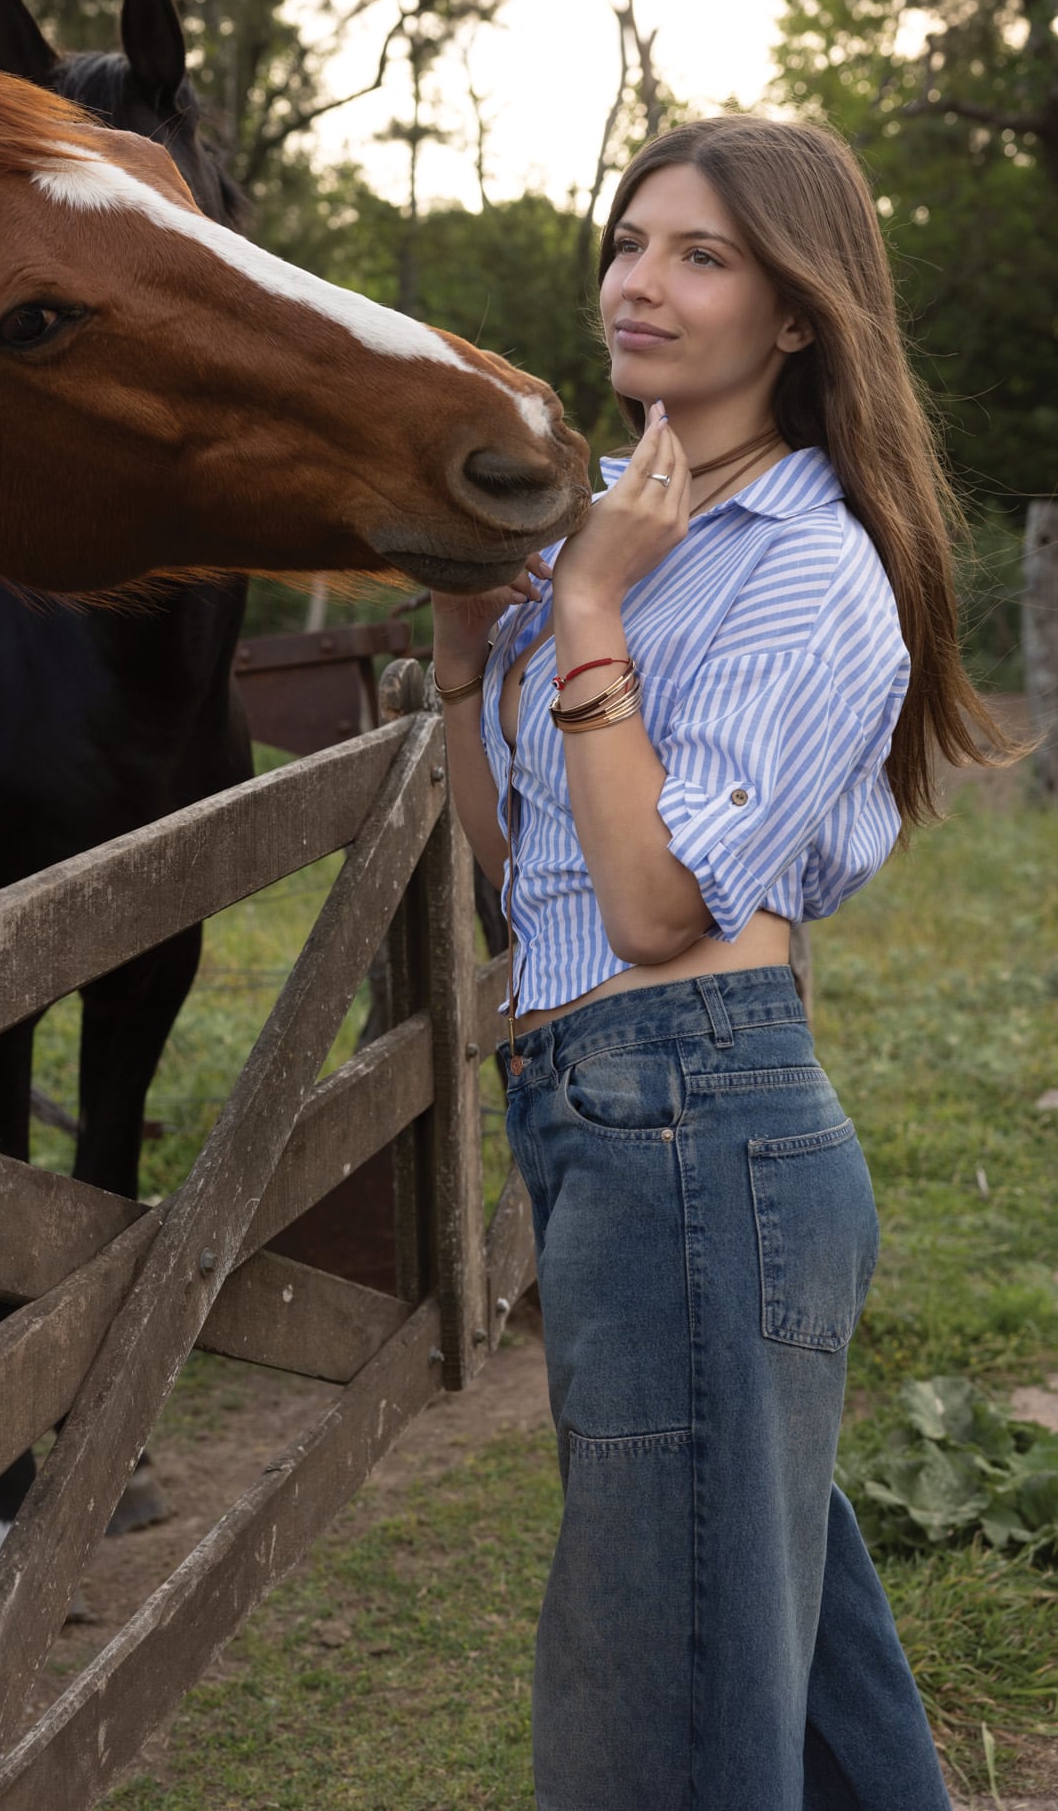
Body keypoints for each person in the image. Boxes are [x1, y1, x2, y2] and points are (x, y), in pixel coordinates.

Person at [430, 113, 1017, 1810]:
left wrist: (596, 618)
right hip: (606, 1118)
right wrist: (488, 639)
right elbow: (514, 861)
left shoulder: (809, 568)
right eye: (628, 240)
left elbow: (653, 904)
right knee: (784, 1676)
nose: (640, 282)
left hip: (692, 1121)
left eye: (701, 256)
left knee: (660, 1711)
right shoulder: (596, 539)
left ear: (794, 317)